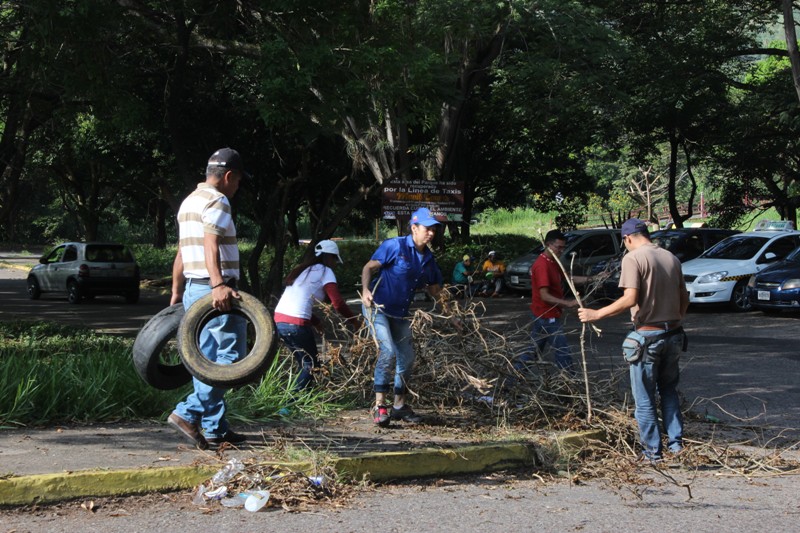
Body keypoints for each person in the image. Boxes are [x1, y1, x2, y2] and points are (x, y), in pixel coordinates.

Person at [578, 218, 688, 462]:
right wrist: (677, 319)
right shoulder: (671, 258)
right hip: (674, 334)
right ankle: (676, 446)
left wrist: (596, 314)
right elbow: (684, 295)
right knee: (668, 390)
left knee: (644, 397)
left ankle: (652, 453)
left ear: (627, 238)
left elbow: (630, 299)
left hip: (648, 335)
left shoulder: (633, 258)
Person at [167, 148, 249, 450]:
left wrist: (177, 291)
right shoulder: (219, 200)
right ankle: (186, 413)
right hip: (217, 291)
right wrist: (218, 284)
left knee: (206, 361)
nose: (238, 186)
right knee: (231, 360)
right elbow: (210, 243)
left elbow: (183, 250)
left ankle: (215, 427)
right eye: (238, 180)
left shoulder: (189, 202)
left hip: (193, 287)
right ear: (229, 176)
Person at [360, 207, 458, 427]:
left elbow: (436, 292)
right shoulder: (394, 246)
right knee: (387, 351)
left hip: (400, 314)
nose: (431, 233)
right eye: (427, 228)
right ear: (414, 228)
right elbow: (369, 267)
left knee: (407, 358)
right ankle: (379, 406)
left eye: (434, 229)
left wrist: (451, 317)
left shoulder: (428, 259)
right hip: (377, 308)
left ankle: (399, 405)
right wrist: (366, 290)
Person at [274, 240, 360, 393]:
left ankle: (302, 399)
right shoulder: (326, 272)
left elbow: (300, 302)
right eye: (334, 260)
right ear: (330, 257)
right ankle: (289, 402)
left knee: (304, 363)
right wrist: (354, 321)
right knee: (311, 365)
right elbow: (338, 303)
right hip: (296, 325)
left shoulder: (302, 270)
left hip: (280, 321)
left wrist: (316, 321)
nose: (334, 264)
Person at [514, 230, 591, 372]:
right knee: (562, 352)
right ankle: (570, 383)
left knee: (533, 352)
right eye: (558, 247)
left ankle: (512, 379)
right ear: (548, 245)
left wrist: (594, 279)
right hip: (546, 315)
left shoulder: (553, 261)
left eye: (563, 247)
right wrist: (569, 303)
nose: (561, 251)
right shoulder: (542, 265)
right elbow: (545, 296)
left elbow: (569, 278)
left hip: (545, 314)